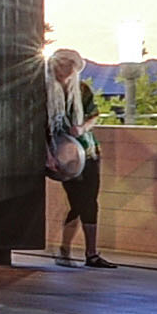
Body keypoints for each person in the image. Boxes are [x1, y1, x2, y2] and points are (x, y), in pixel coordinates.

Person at [42, 46, 103, 267]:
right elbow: (41, 127)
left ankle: (85, 252)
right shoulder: (46, 91)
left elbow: (94, 115)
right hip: (64, 156)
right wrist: (48, 155)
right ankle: (77, 251)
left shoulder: (82, 90)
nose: (65, 70)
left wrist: (82, 128)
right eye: (61, 65)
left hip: (88, 150)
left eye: (69, 66)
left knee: (90, 202)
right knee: (80, 201)